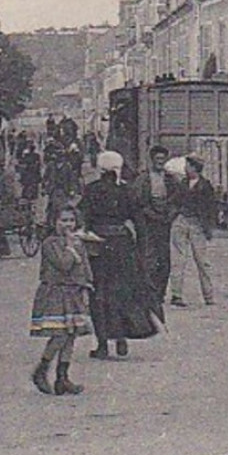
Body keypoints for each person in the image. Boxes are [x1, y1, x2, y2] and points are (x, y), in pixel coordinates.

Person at [79, 150, 141, 359]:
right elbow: (136, 219)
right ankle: (121, 337)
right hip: (122, 245)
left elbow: (84, 218)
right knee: (121, 291)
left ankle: (103, 344)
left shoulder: (91, 190)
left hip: (98, 246)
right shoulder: (127, 191)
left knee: (98, 295)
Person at [29, 205, 94, 395]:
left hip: (73, 293)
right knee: (60, 334)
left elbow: (85, 267)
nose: (67, 224)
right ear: (55, 222)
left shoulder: (78, 242)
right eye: (63, 220)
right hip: (55, 293)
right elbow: (63, 265)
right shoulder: (50, 243)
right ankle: (41, 369)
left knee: (71, 334)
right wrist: (71, 248)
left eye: (71, 220)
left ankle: (62, 377)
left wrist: (86, 286)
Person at [128, 145, 175, 339]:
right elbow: (137, 201)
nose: (160, 162)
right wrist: (149, 213)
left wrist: (169, 213)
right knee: (148, 256)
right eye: (157, 159)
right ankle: (149, 291)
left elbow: (176, 199)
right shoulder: (143, 179)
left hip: (164, 220)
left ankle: (160, 292)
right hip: (147, 222)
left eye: (163, 159)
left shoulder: (171, 179)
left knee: (164, 259)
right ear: (151, 160)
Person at [169, 154, 217, 307]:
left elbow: (210, 208)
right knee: (178, 260)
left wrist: (208, 227)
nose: (185, 168)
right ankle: (177, 295)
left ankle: (208, 295)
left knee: (202, 261)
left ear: (195, 168)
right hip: (182, 221)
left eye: (188, 166)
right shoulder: (183, 183)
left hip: (196, 223)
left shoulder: (205, 186)